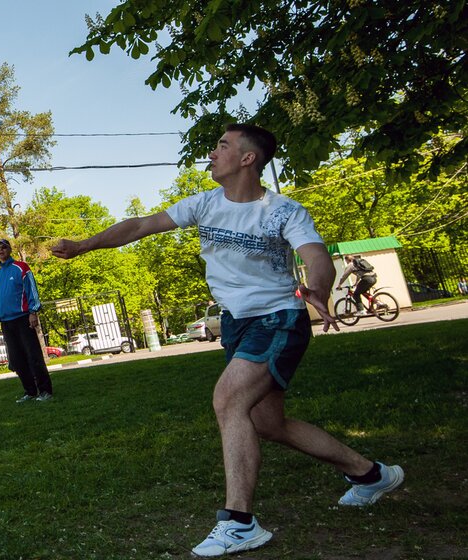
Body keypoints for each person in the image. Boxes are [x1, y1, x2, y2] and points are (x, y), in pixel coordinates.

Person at [51, 123, 403, 557]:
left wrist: (319, 286)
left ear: (247, 158)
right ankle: (370, 475)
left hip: (278, 319)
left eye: (222, 146)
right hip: (237, 322)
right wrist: (85, 245)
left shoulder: (283, 211)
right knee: (268, 423)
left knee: (228, 400)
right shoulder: (204, 204)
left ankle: (239, 521)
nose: (213, 153)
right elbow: (142, 225)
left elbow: (314, 254)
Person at [0, 239, 53, 403]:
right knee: (17, 359)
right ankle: (30, 391)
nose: (1, 250)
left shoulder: (21, 268)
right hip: (6, 322)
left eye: (4, 247)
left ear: (10, 249)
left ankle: (45, 390)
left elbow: (32, 289)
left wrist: (33, 311)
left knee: (33, 355)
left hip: (23, 318)